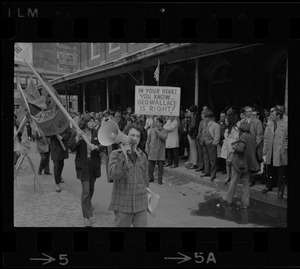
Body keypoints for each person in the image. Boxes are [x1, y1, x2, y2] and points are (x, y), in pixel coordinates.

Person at [108, 123, 149, 227]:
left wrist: (148, 199)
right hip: (123, 205)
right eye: (132, 135)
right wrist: (123, 155)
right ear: (126, 136)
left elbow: (145, 180)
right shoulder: (115, 154)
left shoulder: (143, 156)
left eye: (138, 136)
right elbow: (114, 175)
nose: (135, 139)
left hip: (141, 205)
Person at [69, 114, 106, 227]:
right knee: (85, 191)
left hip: (93, 165)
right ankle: (86, 217)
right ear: (85, 122)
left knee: (91, 188)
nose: (92, 123)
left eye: (93, 121)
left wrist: (96, 147)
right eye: (90, 121)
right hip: (83, 165)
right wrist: (77, 138)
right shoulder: (78, 132)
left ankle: (88, 204)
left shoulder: (96, 133)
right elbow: (71, 147)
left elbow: (103, 145)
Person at [222, 122, 259, 209]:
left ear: (241, 130)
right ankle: (245, 203)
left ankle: (228, 199)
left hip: (240, 163)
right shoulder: (252, 137)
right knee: (246, 183)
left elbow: (241, 149)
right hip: (248, 163)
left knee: (234, 180)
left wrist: (234, 147)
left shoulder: (243, 137)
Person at [262, 107, 288, 198]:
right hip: (270, 151)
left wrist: (283, 148)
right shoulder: (269, 124)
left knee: (281, 173)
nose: (270, 116)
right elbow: (265, 138)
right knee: (270, 171)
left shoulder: (285, 125)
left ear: (278, 115)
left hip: (280, 152)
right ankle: (268, 186)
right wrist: (264, 151)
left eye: (272, 114)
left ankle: (280, 191)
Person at [243, 106, 264, 186]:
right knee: (246, 162)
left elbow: (260, 134)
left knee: (253, 162)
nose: (250, 113)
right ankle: (246, 178)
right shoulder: (243, 121)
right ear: (245, 113)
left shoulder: (257, 122)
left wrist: (256, 144)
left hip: (253, 145)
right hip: (245, 144)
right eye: (248, 111)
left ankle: (252, 180)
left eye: (251, 111)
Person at [49, 127, 72, 192]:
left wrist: (62, 137)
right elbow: (46, 134)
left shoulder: (64, 121)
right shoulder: (50, 124)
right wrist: (53, 133)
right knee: (56, 164)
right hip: (54, 146)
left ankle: (59, 175)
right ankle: (57, 183)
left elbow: (69, 133)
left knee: (61, 163)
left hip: (63, 146)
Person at [145, 117, 168, 184]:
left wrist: (158, 131)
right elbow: (148, 140)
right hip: (152, 149)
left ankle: (160, 179)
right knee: (150, 166)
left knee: (160, 166)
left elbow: (164, 138)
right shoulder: (151, 130)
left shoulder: (165, 131)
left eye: (157, 122)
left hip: (160, 150)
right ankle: (151, 178)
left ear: (161, 124)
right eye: (155, 122)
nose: (155, 123)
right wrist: (147, 147)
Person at [201, 109, 220, 182]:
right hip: (205, 143)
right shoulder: (205, 124)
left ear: (209, 117)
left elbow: (217, 137)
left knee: (212, 160)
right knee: (206, 159)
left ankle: (213, 174)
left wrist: (214, 143)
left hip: (211, 144)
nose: (204, 118)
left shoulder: (215, 125)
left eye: (205, 117)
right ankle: (207, 172)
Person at [220, 116, 240, 184]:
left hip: (231, 147)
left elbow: (236, 140)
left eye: (227, 121)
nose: (225, 122)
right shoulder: (227, 128)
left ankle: (232, 177)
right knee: (227, 162)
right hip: (226, 147)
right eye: (225, 121)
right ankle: (228, 177)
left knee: (231, 163)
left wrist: (232, 149)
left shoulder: (235, 129)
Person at [186, 105, 199, 170]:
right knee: (192, 148)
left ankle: (195, 163)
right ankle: (192, 161)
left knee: (193, 149)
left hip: (192, 133)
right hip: (191, 133)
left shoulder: (194, 116)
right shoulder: (193, 116)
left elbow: (193, 125)